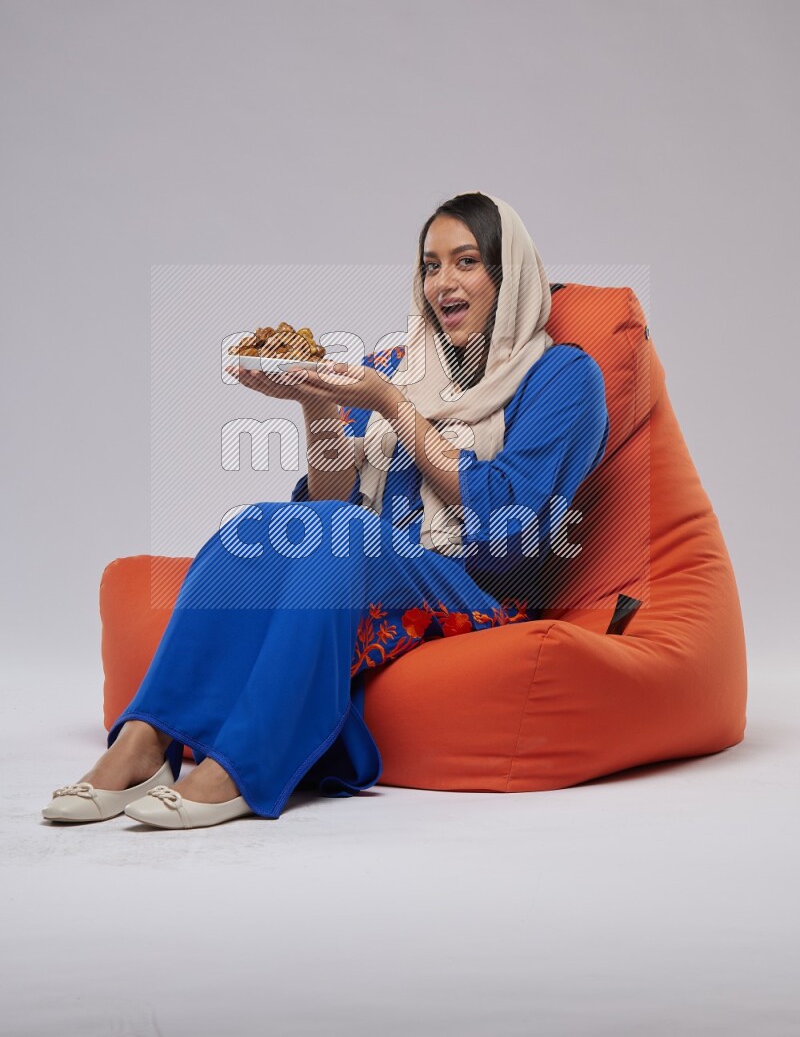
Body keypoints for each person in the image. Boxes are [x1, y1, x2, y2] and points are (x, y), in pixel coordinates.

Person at [41, 191, 609, 830]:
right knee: (253, 527)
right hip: (370, 563)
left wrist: (394, 408)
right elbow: (331, 505)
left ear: (508, 277)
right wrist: (315, 407)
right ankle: (144, 743)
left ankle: (244, 763)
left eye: (466, 262)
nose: (442, 282)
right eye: (430, 265)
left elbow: (513, 518)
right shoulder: (399, 368)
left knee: (347, 535)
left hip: (477, 589)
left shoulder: (562, 375)